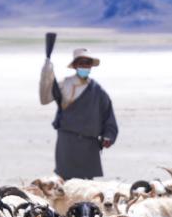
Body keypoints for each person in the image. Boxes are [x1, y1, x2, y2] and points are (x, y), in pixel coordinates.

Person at [39, 48, 118, 180]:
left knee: (87, 185)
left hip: (89, 145)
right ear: (75, 65)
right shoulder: (64, 84)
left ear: (91, 66)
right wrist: (46, 74)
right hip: (67, 142)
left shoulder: (97, 90)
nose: (84, 66)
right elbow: (44, 99)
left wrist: (108, 136)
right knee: (65, 182)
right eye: (81, 63)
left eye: (88, 63)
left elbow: (108, 115)